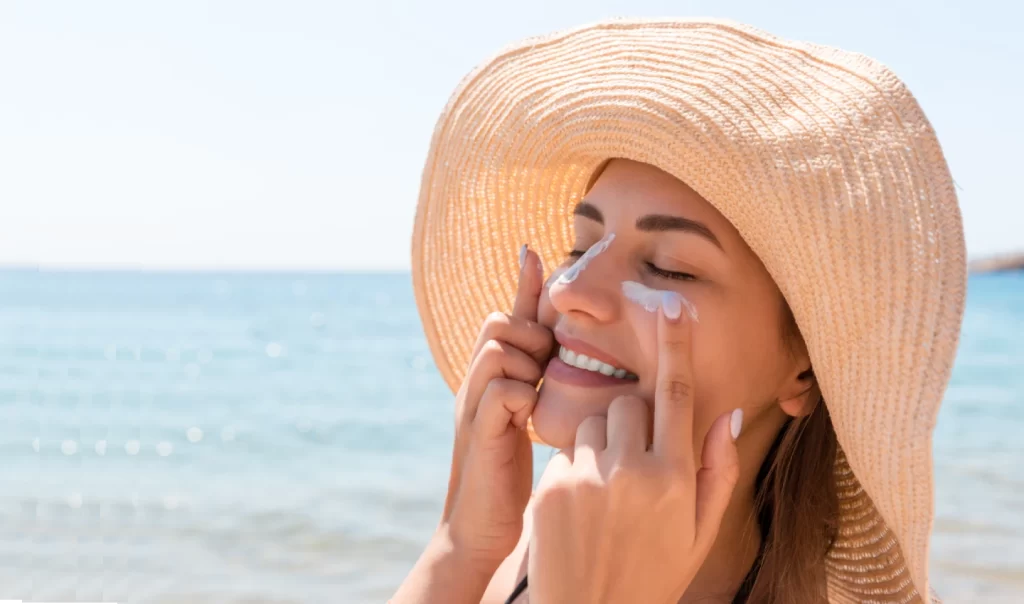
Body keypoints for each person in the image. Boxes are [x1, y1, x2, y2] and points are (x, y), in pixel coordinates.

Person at [392, 17, 964, 604]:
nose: (569, 291)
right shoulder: (543, 533)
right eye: (580, 248)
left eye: (669, 268)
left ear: (806, 369)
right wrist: (461, 544)